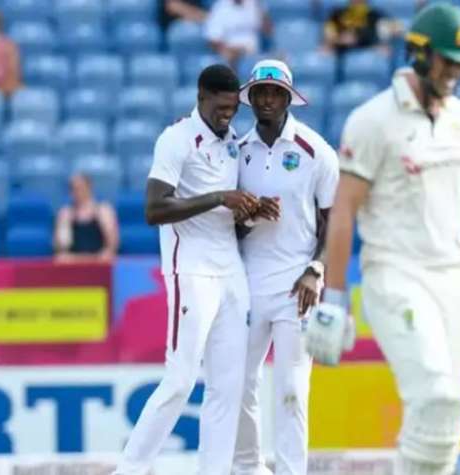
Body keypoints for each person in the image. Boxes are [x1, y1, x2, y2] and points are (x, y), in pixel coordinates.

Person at [305, 3, 460, 474]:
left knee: (446, 424)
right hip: (396, 278)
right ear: (419, 53)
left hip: (454, 286)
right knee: (437, 401)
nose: (455, 73)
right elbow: (343, 212)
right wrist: (333, 299)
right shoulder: (372, 120)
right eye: (448, 61)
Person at [113, 64, 262, 475]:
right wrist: (220, 197)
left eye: (233, 109)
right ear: (201, 98)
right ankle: (129, 470)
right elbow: (154, 209)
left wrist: (250, 212)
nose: (227, 116)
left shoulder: (232, 143)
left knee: (227, 386)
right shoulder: (177, 139)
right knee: (180, 381)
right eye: (220, 108)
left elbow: (230, 214)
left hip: (231, 272)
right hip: (191, 271)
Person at [232, 60, 339, 475]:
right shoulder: (237, 152)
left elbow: (334, 223)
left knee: (292, 387)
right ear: (251, 97)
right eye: (260, 92)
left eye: (275, 93)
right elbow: (226, 228)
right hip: (247, 283)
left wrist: (316, 270)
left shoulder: (316, 151)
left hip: (297, 286)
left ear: (288, 99)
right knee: (239, 381)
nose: (267, 100)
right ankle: (249, 467)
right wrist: (249, 216)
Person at [53, 174, 120, 263]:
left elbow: (112, 244)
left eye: (80, 188)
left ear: (89, 187)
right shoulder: (65, 213)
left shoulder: (103, 210)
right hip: (73, 261)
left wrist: (104, 254)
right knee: (61, 259)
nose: (77, 192)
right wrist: (64, 226)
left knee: (107, 257)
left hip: (98, 260)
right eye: (73, 188)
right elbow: (61, 247)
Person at [205, 0, 270, 66]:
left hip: (254, 54)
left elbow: (268, 31)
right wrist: (229, 51)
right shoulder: (220, 7)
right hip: (230, 53)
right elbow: (213, 38)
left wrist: (261, 9)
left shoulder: (254, 4)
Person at [322, 0, 396, 54]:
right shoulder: (338, 14)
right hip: (342, 51)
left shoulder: (375, 15)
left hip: (369, 50)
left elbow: (393, 29)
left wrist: (357, 38)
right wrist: (339, 40)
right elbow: (329, 35)